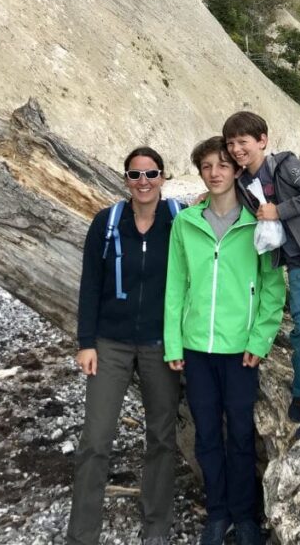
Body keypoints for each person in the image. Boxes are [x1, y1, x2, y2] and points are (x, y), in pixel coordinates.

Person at [164, 137, 286, 545]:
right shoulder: (186, 223)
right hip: (197, 348)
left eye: (222, 165)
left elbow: (273, 287)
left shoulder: (258, 221)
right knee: (207, 436)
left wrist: (260, 339)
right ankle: (217, 514)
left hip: (241, 352)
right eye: (206, 166)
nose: (214, 173)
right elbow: (175, 286)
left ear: (235, 170)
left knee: (241, 435)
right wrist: (174, 343)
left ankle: (245, 515)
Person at [68, 147, 181, 545]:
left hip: (161, 345)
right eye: (135, 175)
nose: (143, 182)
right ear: (126, 180)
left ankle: (156, 526)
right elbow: (90, 284)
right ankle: (82, 534)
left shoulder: (180, 220)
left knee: (162, 437)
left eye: (151, 174)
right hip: (110, 344)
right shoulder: (108, 221)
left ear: (163, 177)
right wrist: (86, 343)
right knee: (96, 438)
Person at [222, 111, 300, 440]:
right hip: (296, 260)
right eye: (231, 143)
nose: (236, 149)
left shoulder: (286, 165)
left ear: (262, 141)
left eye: (243, 141)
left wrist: (279, 210)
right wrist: (202, 200)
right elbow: (225, 198)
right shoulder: (243, 183)